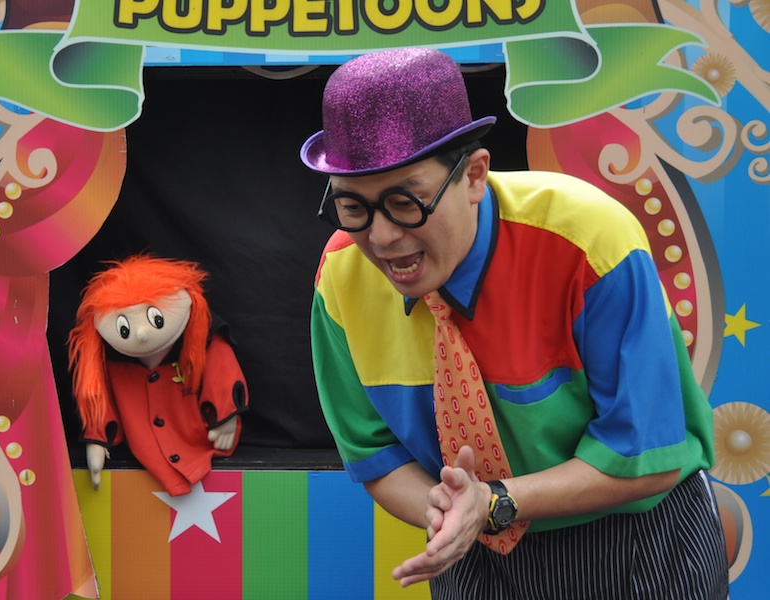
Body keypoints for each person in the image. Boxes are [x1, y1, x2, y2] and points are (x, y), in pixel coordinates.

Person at [302, 47, 728, 599]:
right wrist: (449, 511)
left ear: (474, 175)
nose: (381, 237)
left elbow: (649, 454)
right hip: (475, 546)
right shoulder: (340, 277)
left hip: (638, 539)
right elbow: (376, 455)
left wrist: (494, 502)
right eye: (353, 207)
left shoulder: (588, 241)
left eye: (406, 202)